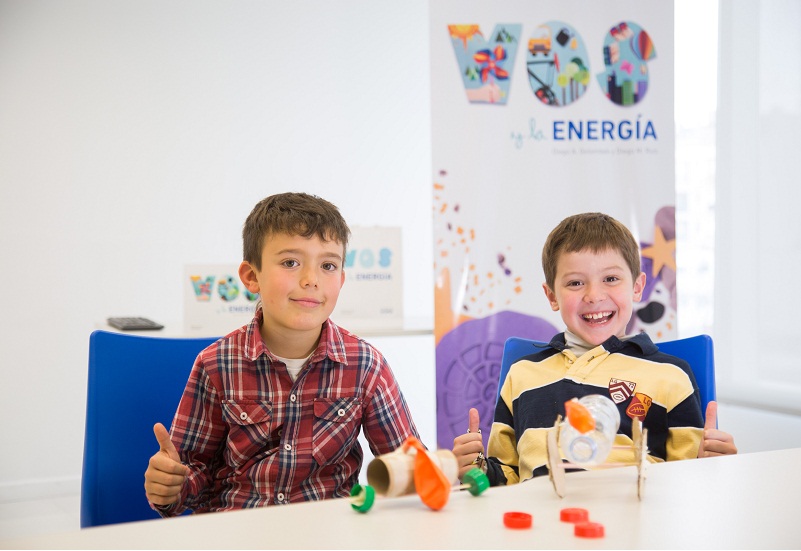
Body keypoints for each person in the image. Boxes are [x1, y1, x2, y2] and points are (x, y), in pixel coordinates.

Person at [144, 192, 420, 514]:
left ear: (341, 280)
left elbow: (408, 466)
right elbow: (192, 476)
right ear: (251, 276)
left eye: (328, 265)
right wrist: (171, 486)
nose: (310, 280)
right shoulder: (216, 364)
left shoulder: (366, 365)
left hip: (331, 533)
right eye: (291, 262)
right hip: (239, 530)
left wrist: (447, 466)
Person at [453, 212, 737, 486]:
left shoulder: (671, 376)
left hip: (635, 527)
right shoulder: (523, 375)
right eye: (575, 283)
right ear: (552, 295)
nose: (594, 296)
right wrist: (475, 468)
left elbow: (687, 481)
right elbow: (507, 477)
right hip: (541, 527)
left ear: (637, 287)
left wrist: (708, 465)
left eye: (611, 279)